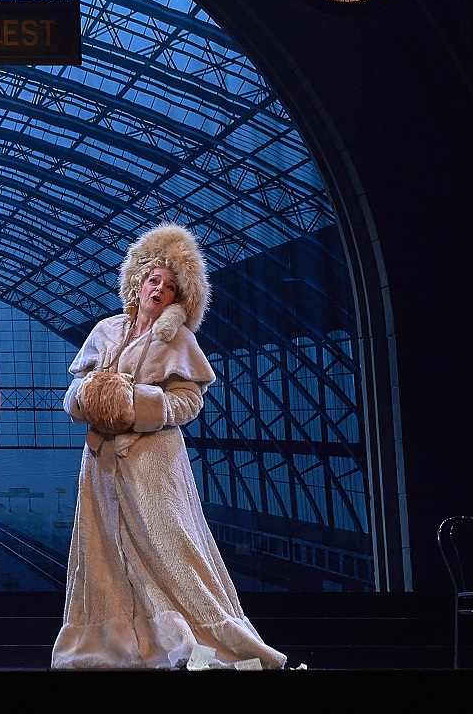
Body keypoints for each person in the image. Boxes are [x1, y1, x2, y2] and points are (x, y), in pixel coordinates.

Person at [50, 222, 287, 670]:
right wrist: (90, 396)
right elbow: (72, 395)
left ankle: (194, 642)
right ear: (138, 282)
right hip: (101, 465)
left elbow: (188, 402)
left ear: (180, 298)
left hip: (153, 463)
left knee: (172, 551)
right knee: (102, 555)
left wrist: (134, 403)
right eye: (154, 279)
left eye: (170, 286)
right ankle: (112, 646)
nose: (159, 289)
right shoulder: (105, 331)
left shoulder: (179, 340)